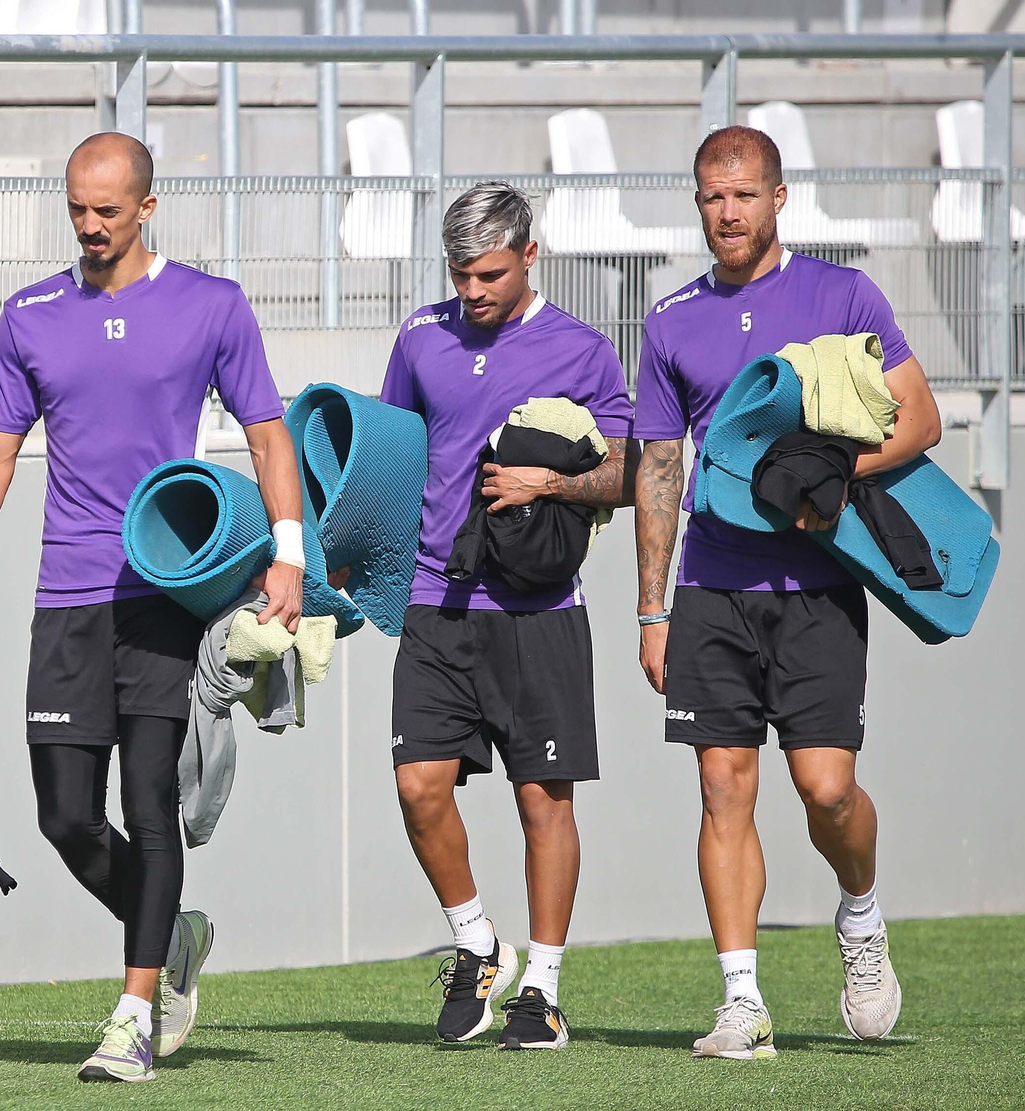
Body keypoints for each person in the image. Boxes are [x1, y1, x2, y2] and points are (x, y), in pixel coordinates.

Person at [0, 132, 304, 1085]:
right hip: (70, 598)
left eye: (108, 211)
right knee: (64, 818)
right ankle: (172, 931)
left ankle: (133, 1014)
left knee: (149, 806)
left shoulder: (212, 305)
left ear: (147, 206)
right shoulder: (31, 314)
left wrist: (290, 556)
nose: (90, 228)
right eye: (77, 211)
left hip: (169, 595)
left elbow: (265, 434)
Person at [631, 126, 942, 1059]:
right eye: (711, 197)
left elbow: (920, 417)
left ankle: (861, 913)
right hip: (710, 588)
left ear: (777, 198)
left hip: (818, 590)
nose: (727, 213)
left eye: (744, 195)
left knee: (827, 787)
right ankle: (742, 1002)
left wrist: (831, 480)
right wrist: (653, 609)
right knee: (723, 786)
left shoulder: (842, 293)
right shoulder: (668, 319)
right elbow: (657, 466)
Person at [376, 181, 634, 1051]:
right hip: (432, 597)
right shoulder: (419, 336)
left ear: (531, 255)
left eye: (489, 272)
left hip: (539, 606)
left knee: (541, 798)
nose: (473, 290)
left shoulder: (584, 351)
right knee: (420, 787)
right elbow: (392, 458)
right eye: (460, 274)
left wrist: (551, 482)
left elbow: (631, 475)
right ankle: (476, 943)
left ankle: (544, 991)